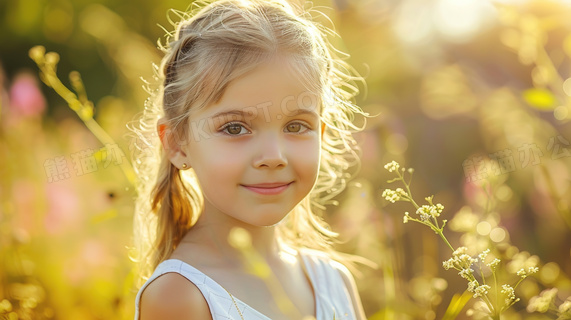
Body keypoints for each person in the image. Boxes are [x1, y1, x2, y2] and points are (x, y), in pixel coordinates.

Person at [130, 0, 371, 318]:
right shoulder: (180, 296)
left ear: (322, 134)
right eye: (234, 128)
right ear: (177, 144)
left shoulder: (334, 281)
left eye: (296, 126)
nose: (273, 157)